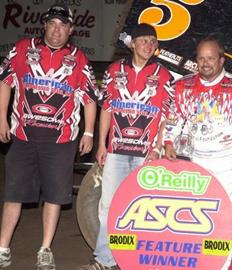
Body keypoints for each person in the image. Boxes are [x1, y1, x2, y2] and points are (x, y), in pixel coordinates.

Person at [0, 4, 99, 270]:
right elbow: (4, 83)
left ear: (71, 29)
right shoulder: (22, 49)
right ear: (44, 25)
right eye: (52, 24)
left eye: (62, 25)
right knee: (13, 193)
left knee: (55, 196)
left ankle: (45, 248)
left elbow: (90, 98)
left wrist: (89, 132)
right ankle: (2, 247)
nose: (57, 30)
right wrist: (0, 119)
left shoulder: (79, 59)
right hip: (22, 135)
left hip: (60, 142)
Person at [79, 23, 174, 270]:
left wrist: (157, 147)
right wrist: (101, 144)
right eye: (143, 40)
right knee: (109, 206)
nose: (148, 45)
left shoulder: (164, 76)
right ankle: (104, 259)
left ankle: (138, 261)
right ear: (132, 43)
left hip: (146, 155)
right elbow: (107, 109)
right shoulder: (114, 70)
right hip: (117, 151)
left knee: (144, 209)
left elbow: (167, 116)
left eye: (152, 42)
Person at [163, 36, 232, 270]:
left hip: (225, 164)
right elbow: (173, 120)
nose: (205, 63)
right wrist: (168, 143)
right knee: (193, 218)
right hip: (193, 163)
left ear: (222, 60)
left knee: (223, 218)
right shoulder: (183, 86)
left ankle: (224, 265)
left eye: (211, 58)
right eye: (201, 58)